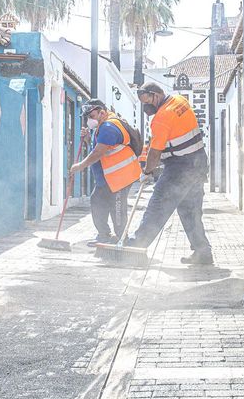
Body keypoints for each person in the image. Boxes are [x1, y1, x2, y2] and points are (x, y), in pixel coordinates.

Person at [128, 84, 212, 264]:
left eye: (147, 101)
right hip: (198, 162)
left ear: (156, 95)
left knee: (158, 205)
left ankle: (136, 246)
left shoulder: (161, 117)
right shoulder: (180, 101)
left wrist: (147, 171)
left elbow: (155, 152)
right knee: (190, 210)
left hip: (180, 167)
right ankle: (203, 252)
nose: (146, 107)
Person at [69, 99, 141, 246]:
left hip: (120, 177)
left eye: (91, 115)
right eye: (87, 117)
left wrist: (81, 165)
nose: (89, 120)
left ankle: (122, 239)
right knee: (98, 202)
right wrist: (89, 139)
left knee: (117, 208)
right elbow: (102, 148)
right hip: (108, 178)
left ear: (101, 111)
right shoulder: (102, 126)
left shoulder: (108, 126)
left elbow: (99, 152)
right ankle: (104, 235)